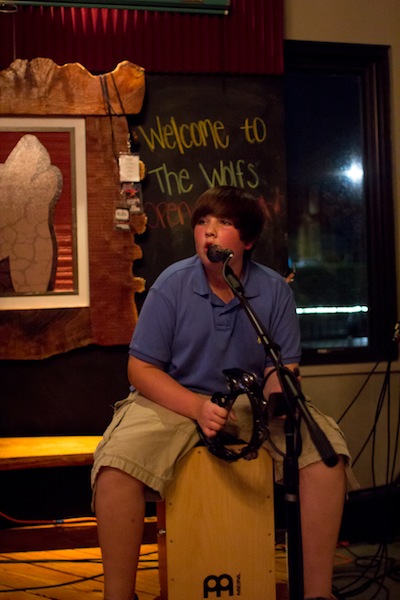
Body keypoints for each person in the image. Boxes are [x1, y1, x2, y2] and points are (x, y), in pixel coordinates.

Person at [92, 185, 353, 600]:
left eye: (224, 224)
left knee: (325, 458)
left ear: (247, 241)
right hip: (174, 397)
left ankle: (317, 593)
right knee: (115, 468)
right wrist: (196, 406)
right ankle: (118, 595)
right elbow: (140, 369)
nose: (209, 233)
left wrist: (278, 397)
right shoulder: (171, 285)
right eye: (203, 223)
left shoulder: (273, 292)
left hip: (247, 401)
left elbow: (279, 367)